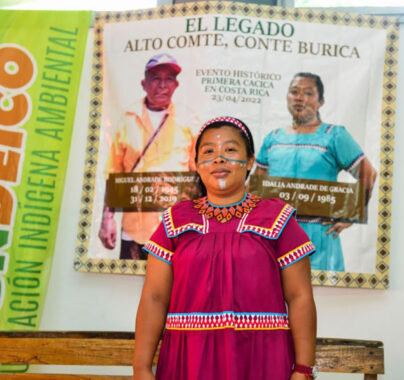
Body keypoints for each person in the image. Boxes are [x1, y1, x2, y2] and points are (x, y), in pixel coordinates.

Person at [134, 116, 318, 380]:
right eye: (208, 152)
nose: (219, 159)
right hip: (188, 360)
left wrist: (303, 370)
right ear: (196, 164)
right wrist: (141, 368)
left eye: (230, 150)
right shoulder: (175, 220)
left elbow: (300, 296)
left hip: (260, 359)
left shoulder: (277, 218)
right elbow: (154, 297)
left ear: (251, 161)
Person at [255, 72, 377, 272]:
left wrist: (350, 214)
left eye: (308, 93)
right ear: (287, 97)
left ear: (321, 101)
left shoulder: (334, 136)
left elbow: (368, 174)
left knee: (320, 300)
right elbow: (257, 188)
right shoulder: (273, 139)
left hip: (318, 238)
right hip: (274, 237)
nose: (300, 98)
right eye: (294, 92)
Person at [98, 53, 195, 260]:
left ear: (176, 85)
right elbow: (114, 173)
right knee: (128, 289)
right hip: (134, 230)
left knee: (173, 290)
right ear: (144, 84)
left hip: (176, 232)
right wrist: (107, 218)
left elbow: (200, 178)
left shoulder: (189, 121)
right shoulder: (127, 119)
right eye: (156, 78)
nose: (162, 85)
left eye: (169, 79)